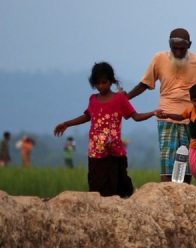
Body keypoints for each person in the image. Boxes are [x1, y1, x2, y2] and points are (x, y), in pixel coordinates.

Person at [54, 62, 156, 197]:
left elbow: (136, 116)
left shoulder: (119, 99)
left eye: (104, 82)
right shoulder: (93, 99)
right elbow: (87, 116)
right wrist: (67, 124)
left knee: (119, 182)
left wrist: (153, 113)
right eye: (97, 83)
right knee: (97, 183)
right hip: (96, 151)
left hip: (114, 151)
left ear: (111, 81)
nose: (101, 86)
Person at [126, 28, 196, 181]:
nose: (178, 53)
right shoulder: (159, 58)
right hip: (166, 115)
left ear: (189, 46)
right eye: (175, 49)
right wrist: (126, 97)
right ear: (169, 45)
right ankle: (166, 191)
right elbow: (145, 83)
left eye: (182, 49)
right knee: (167, 157)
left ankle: (184, 191)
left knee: (187, 156)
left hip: (190, 117)